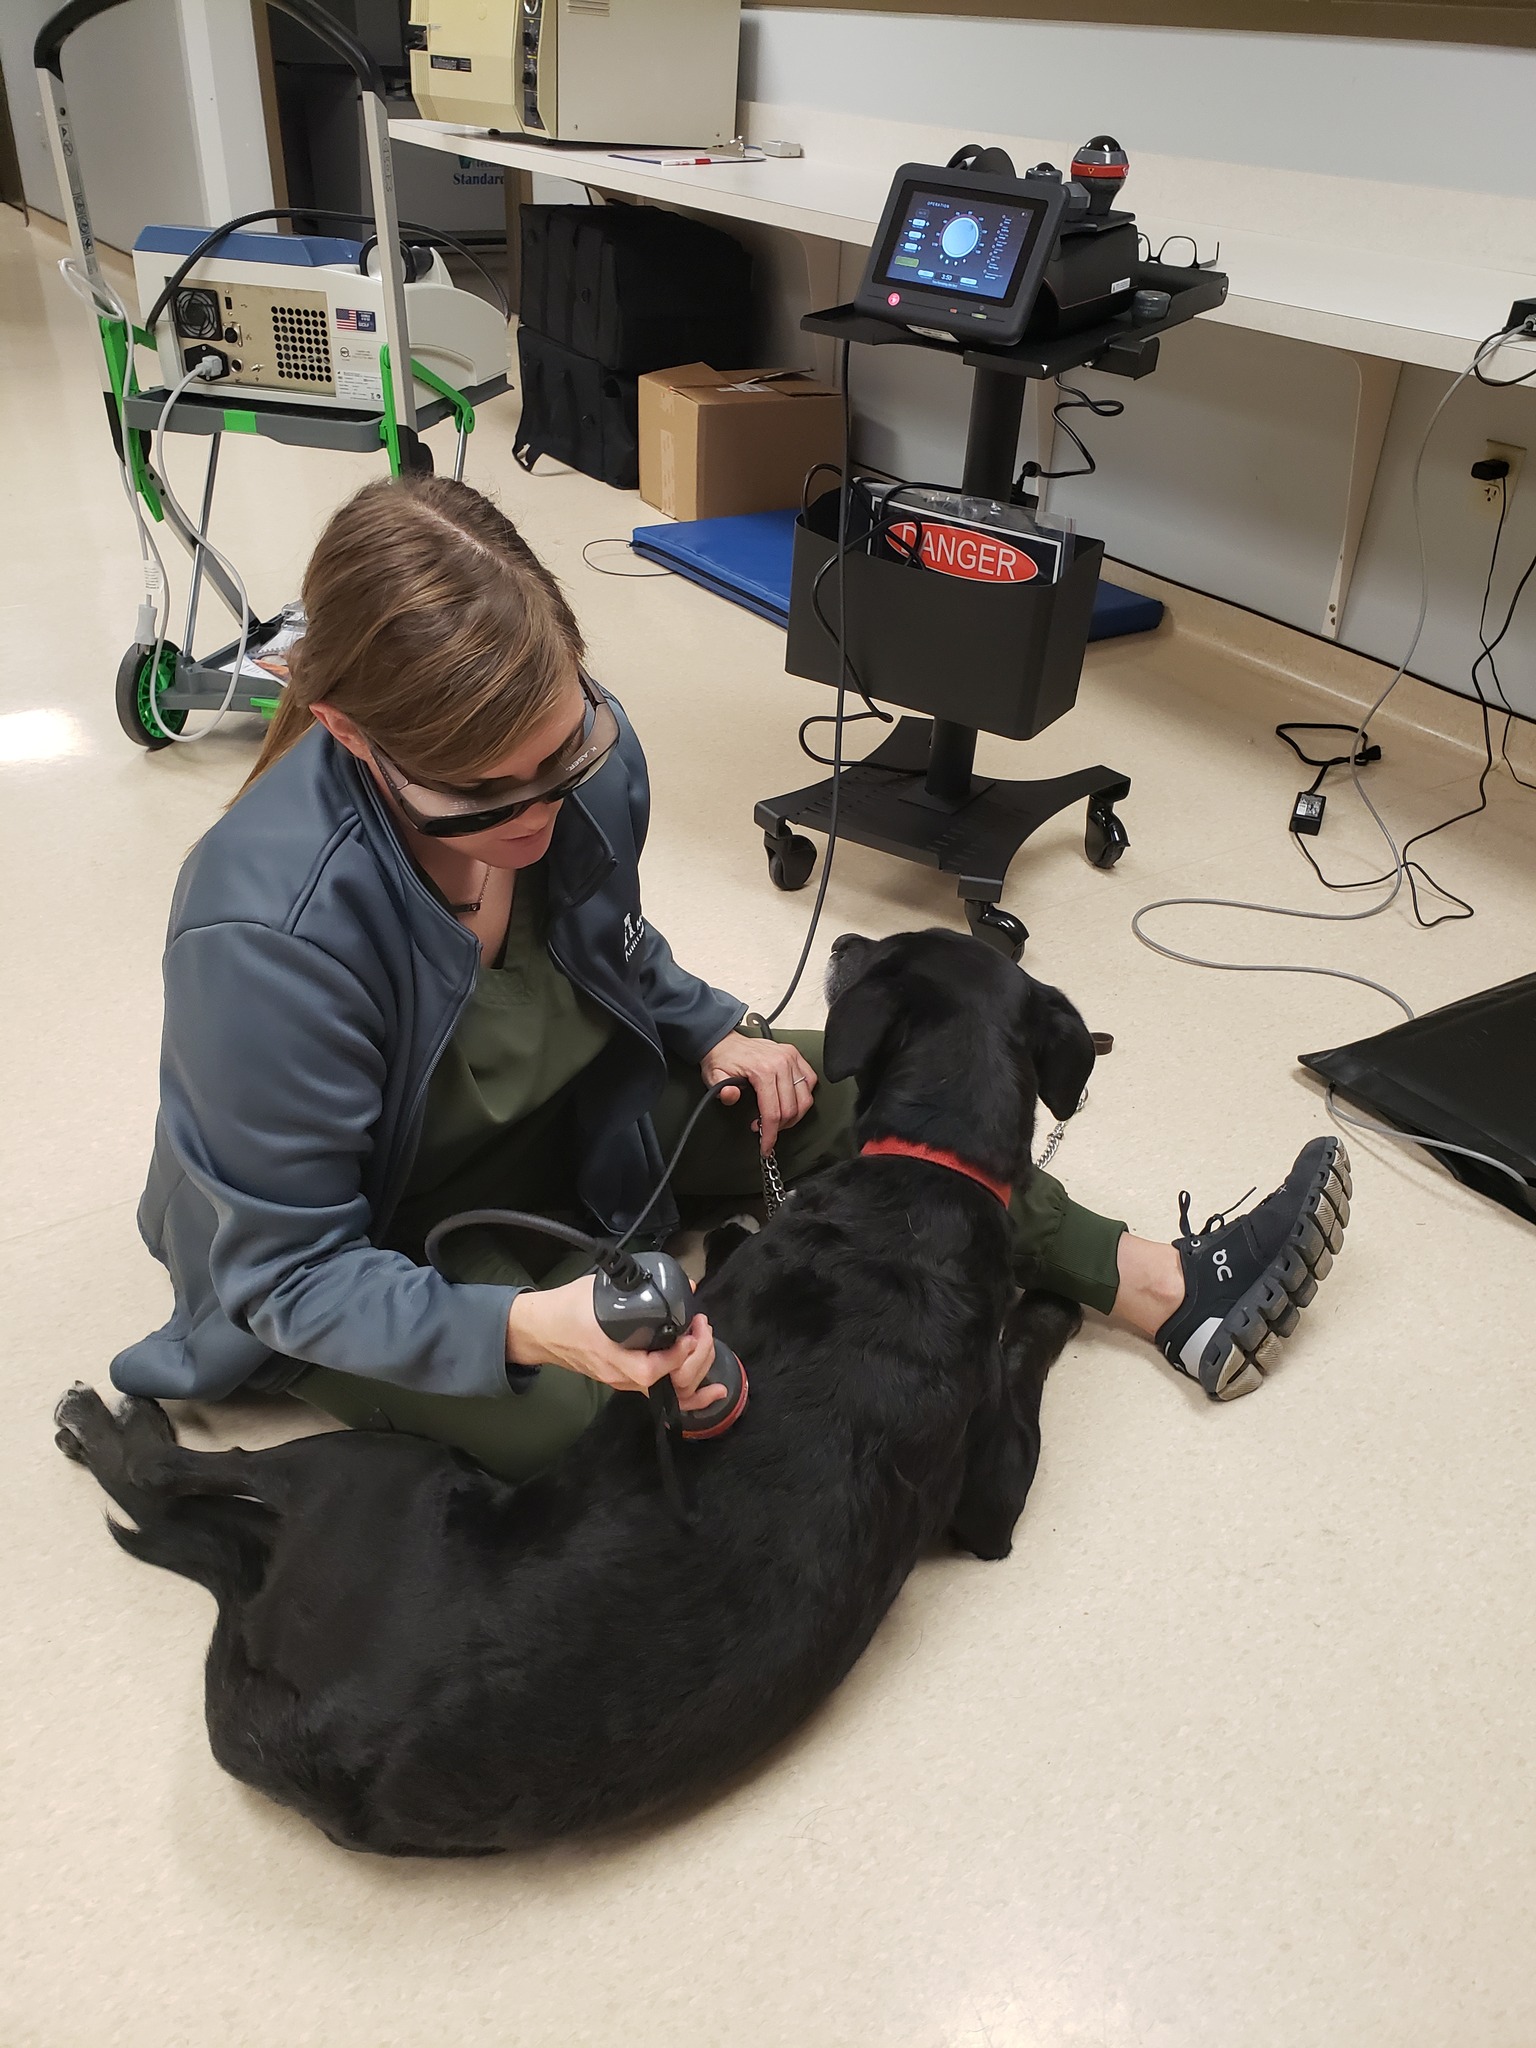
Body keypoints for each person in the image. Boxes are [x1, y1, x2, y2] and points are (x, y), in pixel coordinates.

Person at [113, 475, 1350, 1481]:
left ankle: (1163, 1287)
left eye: (561, 752)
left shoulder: (586, 764)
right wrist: (527, 1325)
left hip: (570, 1125)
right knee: (583, 1427)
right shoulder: (264, 935)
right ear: (347, 732)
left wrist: (712, 1029)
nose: (542, 810)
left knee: (859, 1083)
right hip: (373, 1251)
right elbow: (288, 1271)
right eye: (484, 793)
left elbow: (614, 945)